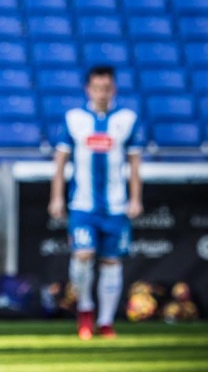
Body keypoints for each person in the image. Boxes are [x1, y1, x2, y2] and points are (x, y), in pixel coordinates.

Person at [48, 65, 144, 340]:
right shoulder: (74, 119)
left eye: (107, 88)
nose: (102, 93)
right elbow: (60, 163)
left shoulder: (127, 119)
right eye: (97, 88)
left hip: (115, 206)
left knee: (111, 262)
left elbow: (134, 165)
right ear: (88, 89)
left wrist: (135, 199)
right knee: (83, 255)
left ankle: (106, 321)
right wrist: (56, 197)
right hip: (82, 204)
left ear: (114, 89)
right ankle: (86, 309)